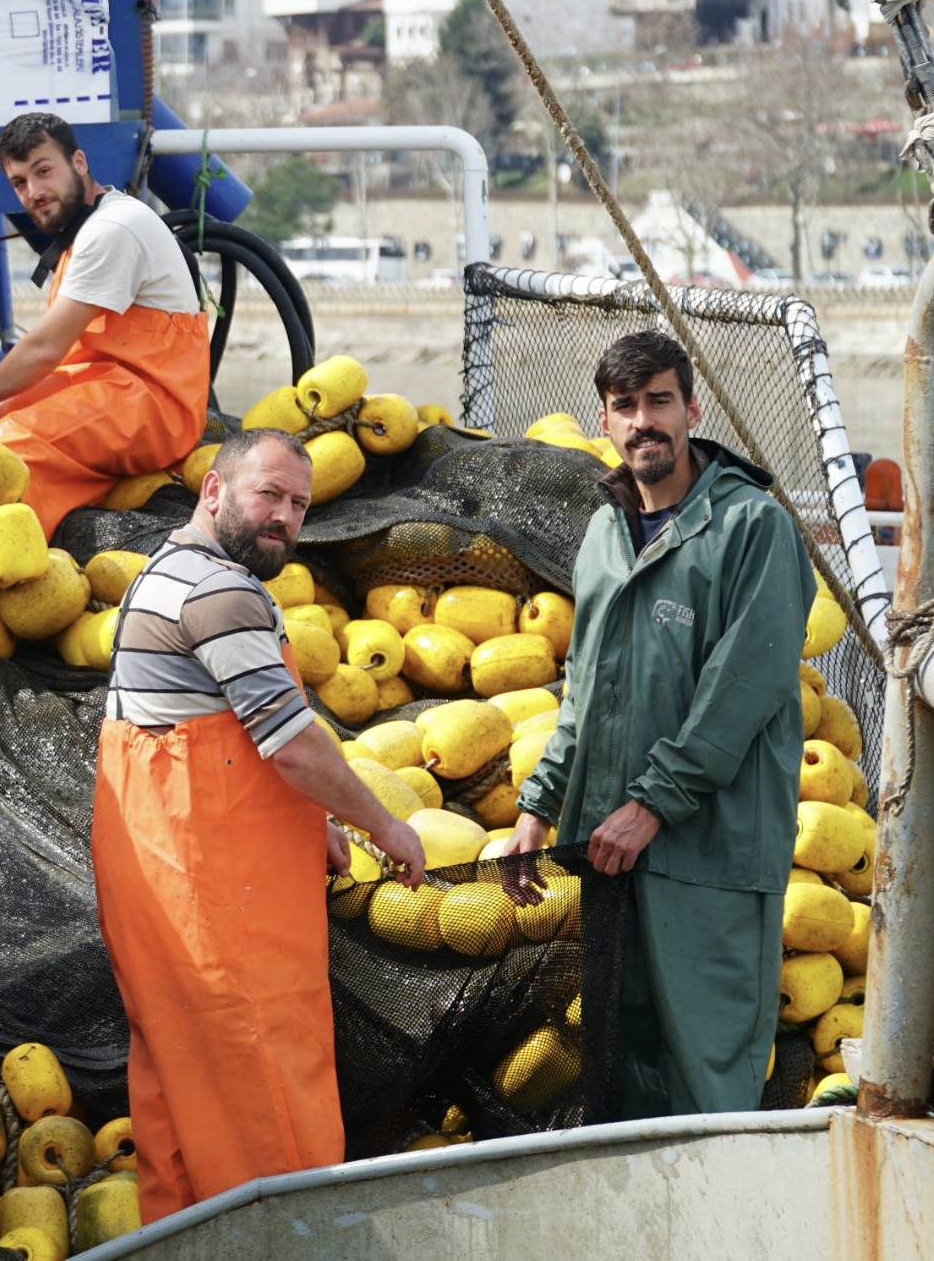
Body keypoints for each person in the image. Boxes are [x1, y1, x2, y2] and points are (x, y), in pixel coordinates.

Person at [92, 428, 427, 1221]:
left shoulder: (169, 572)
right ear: (214, 490)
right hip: (216, 902)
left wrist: (307, 824)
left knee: (183, 1098)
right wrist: (385, 824)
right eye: (267, 495)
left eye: (299, 505)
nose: (284, 517)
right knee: (264, 1089)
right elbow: (291, 742)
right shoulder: (220, 593)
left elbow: (218, 734)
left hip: (169, 886)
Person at [503, 330, 809, 1118]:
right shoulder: (605, 532)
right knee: (617, 1078)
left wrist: (650, 808)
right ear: (604, 423)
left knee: (706, 1081)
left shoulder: (753, 528)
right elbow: (586, 691)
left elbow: (743, 691)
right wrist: (537, 810)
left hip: (708, 858)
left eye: (660, 401)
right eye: (625, 406)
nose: (644, 421)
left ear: (692, 410)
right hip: (610, 861)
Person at [0, 113, 209, 538]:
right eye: (20, 182)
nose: (34, 192)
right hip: (108, 387)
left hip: (154, 406)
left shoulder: (111, 230)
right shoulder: (86, 230)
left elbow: (43, 350)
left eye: (43, 171)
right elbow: (73, 361)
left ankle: (6, 558)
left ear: (78, 162)